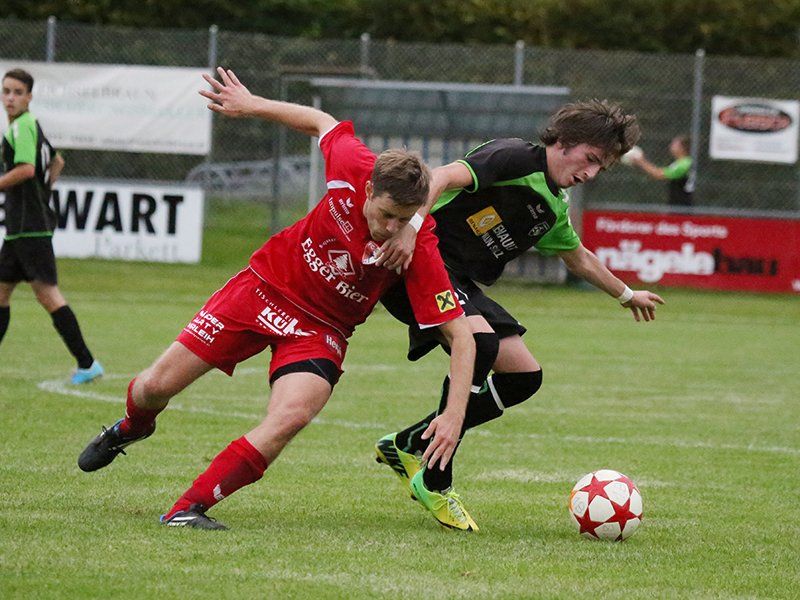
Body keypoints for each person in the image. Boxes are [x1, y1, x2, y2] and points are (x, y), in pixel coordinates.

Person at [77, 67, 478, 531]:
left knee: (292, 416)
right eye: (386, 214)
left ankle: (186, 509)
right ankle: (132, 427)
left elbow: (461, 336)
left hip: (321, 330)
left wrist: (453, 417)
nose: (391, 228)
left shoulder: (417, 244)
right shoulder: (352, 165)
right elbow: (322, 121)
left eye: (403, 220)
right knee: (153, 387)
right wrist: (252, 105)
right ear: (369, 189)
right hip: (262, 290)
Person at [372, 99, 665, 530]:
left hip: (459, 283)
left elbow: (578, 258)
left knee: (524, 376)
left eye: (600, 168)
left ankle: (408, 443)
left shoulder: (554, 206)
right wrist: (411, 232)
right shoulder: (512, 157)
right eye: (590, 159)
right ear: (564, 141)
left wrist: (626, 294)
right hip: (421, 264)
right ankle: (435, 480)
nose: (590, 173)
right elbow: (440, 177)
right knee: (481, 343)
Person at [0, 68, 103, 384]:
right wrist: (43, 193)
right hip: (23, 227)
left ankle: (87, 363)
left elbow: (27, 169)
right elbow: (57, 161)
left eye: (18, 92)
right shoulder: (30, 125)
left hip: (29, 227)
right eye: (6, 91)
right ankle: (87, 363)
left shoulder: (22, 127)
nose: (10, 98)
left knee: (48, 295)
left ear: (29, 97)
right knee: (1, 292)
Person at [629, 134, 693, 207]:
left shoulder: (684, 163)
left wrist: (641, 161)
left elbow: (658, 174)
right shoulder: (681, 162)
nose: (670, 146)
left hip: (682, 206)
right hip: (678, 204)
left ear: (682, 148)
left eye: (674, 144)